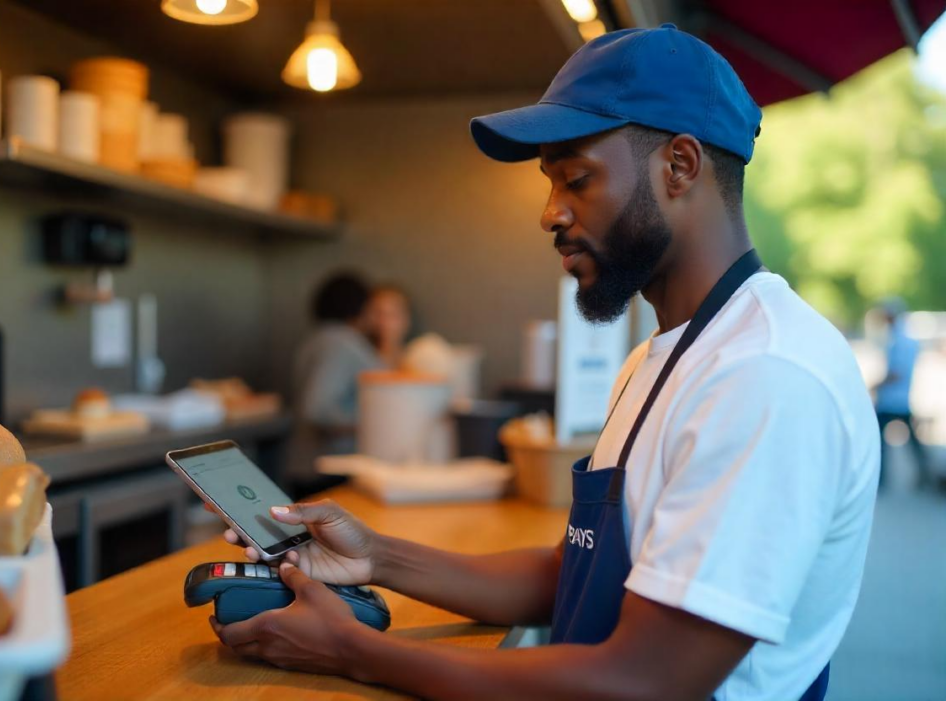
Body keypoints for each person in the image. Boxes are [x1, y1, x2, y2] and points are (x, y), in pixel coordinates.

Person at [211, 25, 880, 700]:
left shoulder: (764, 374)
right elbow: (573, 572)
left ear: (680, 166)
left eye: (576, 178)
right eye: (550, 182)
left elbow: (645, 682)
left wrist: (353, 650)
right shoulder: (660, 360)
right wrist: (378, 556)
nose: (549, 212)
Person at [290, 272, 386, 467]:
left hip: (311, 461)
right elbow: (317, 410)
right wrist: (376, 420)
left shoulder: (318, 339)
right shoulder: (341, 342)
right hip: (330, 465)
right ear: (359, 307)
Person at [873, 298, 930, 489]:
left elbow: (897, 372)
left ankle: (881, 479)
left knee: (880, 442)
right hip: (901, 399)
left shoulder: (897, 340)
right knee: (913, 442)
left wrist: (877, 385)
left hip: (891, 400)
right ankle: (925, 474)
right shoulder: (906, 339)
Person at [363, 285, 412, 368]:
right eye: (378, 314)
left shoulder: (418, 359)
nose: (385, 322)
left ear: (407, 319)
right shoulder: (360, 358)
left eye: (393, 314)